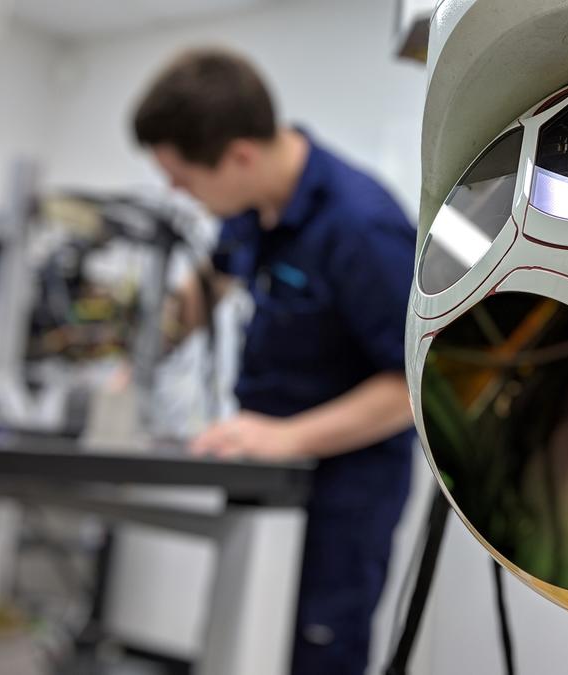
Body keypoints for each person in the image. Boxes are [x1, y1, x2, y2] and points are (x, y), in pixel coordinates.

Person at [131, 48, 417, 675]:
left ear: (238, 156)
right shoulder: (251, 204)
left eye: (183, 181)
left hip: (346, 487)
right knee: (241, 637)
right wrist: (142, 350)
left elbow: (413, 387)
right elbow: (213, 280)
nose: (180, 194)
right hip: (264, 465)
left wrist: (285, 437)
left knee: (313, 651)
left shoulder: (361, 227)